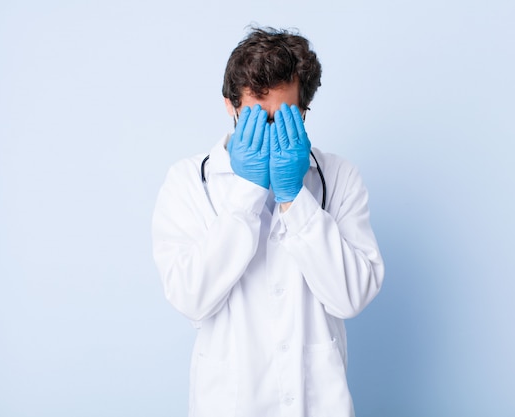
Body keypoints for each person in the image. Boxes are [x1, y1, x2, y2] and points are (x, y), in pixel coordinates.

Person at [152, 27, 384, 417]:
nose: (270, 133)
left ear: (304, 113)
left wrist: (296, 198)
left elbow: (352, 297)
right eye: (257, 117)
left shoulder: (338, 177)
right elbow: (191, 298)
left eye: (285, 119)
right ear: (231, 105)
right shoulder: (189, 181)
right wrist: (246, 194)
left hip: (318, 403)